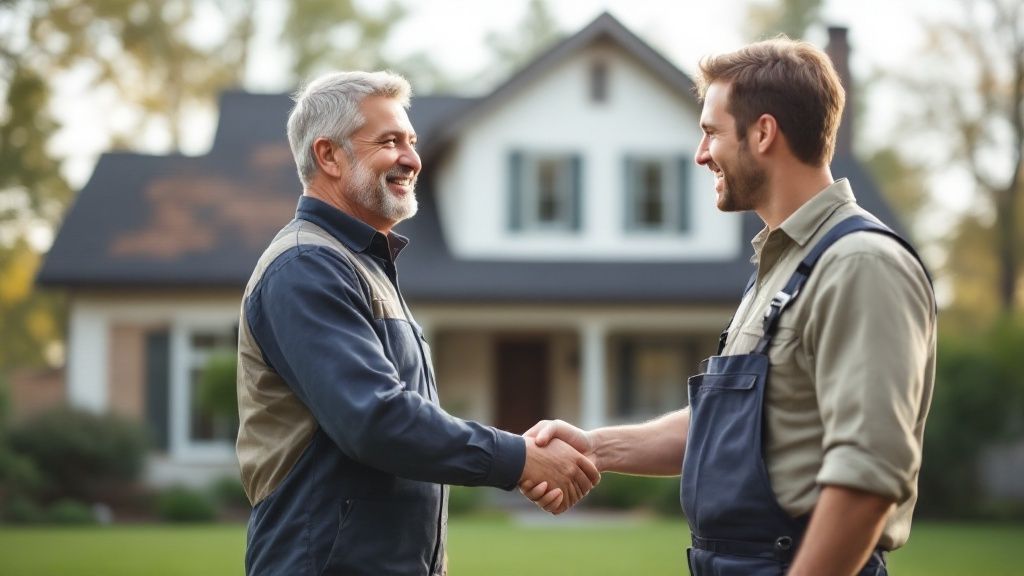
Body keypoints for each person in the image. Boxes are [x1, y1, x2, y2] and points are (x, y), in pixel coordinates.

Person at [522, 38, 936, 576]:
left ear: (763, 133)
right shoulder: (781, 265)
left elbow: (868, 477)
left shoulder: (860, 263)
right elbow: (733, 426)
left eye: (711, 132)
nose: (700, 153)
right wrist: (595, 448)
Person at [235, 70, 599, 576]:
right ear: (329, 156)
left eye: (411, 141)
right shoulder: (306, 267)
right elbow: (376, 421)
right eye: (389, 141)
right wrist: (518, 459)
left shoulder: (360, 264)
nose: (411, 159)